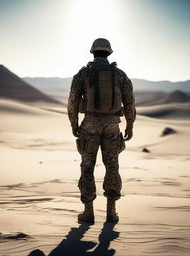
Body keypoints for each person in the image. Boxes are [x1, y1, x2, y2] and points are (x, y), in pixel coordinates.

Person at [67, 38, 136, 223]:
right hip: (113, 124)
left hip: (89, 124)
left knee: (87, 167)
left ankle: (88, 212)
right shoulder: (119, 74)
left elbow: (73, 102)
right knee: (112, 165)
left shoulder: (83, 74)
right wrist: (130, 124)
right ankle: (111, 213)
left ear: (92, 52)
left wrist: (74, 124)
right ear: (109, 53)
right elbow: (129, 101)